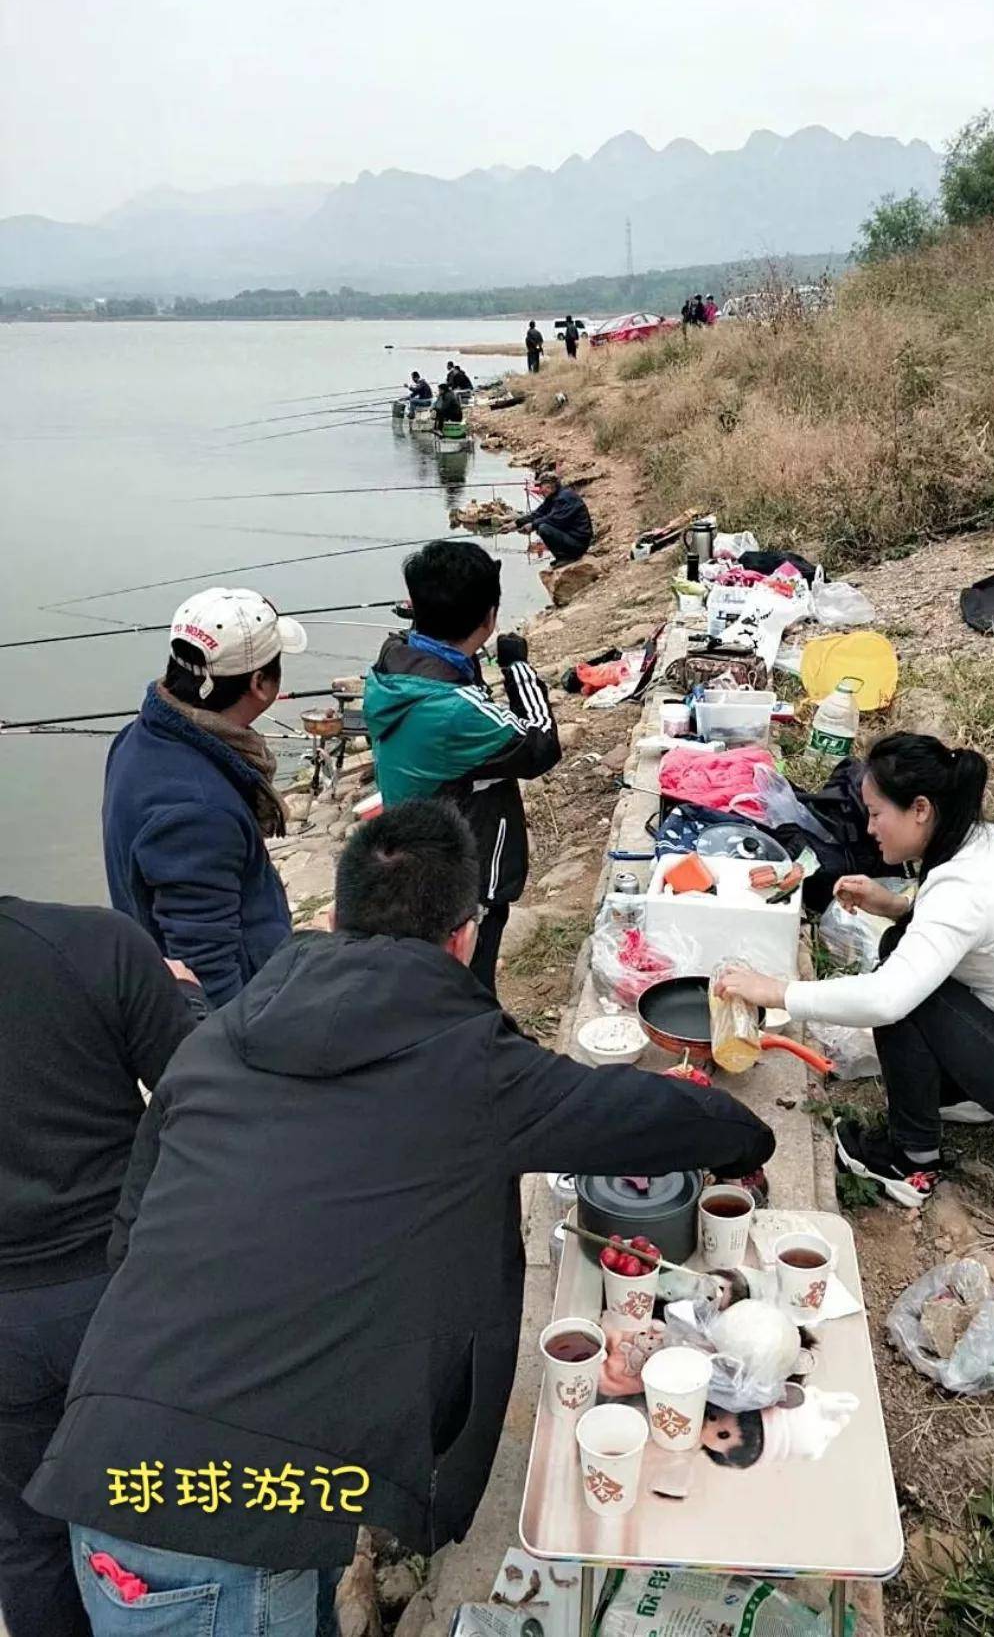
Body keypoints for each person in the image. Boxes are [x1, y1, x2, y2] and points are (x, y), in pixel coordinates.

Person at [26, 802, 776, 1637]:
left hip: (111, 1462)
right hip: (212, 1524)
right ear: (464, 936)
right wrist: (750, 1134)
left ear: (335, 914)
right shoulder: (472, 1068)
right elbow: (639, 1114)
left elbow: (129, 1238)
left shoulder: (215, 1041)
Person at [716, 733, 994, 1207]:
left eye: (875, 814)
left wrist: (777, 991)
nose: (870, 828)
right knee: (902, 944)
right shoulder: (987, 844)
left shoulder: (963, 886)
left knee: (907, 986)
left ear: (920, 809)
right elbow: (961, 935)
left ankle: (911, 1160)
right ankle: (965, 1094)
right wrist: (894, 905)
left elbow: (886, 998)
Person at [0, 898, 205, 1637]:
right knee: (167, 1517)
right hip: (121, 1293)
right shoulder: (93, 944)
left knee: (26, 1538)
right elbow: (206, 1092)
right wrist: (180, 996)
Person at [363, 541, 559, 989]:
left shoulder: (394, 664)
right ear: (488, 618)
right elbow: (540, 746)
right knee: (470, 983)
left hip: (412, 855)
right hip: (463, 872)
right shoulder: (456, 711)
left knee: (430, 978)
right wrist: (518, 669)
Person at [102, 588, 308, 1008]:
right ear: (260, 684)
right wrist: (237, 1057)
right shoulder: (198, 813)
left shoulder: (138, 737)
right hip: (244, 1017)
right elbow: (205, 970)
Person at [515, 471, 593, 565]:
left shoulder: (564, 497)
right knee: (541, 526)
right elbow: (538, 513)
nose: (541, 490)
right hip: (571, 537)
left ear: (550, 485)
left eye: (541, 486)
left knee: (543, 528)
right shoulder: (554, 496)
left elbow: (555, 520)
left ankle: (566, 557)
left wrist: (532, 525)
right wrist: (516, 523)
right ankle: (562, 557)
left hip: (578, 542)